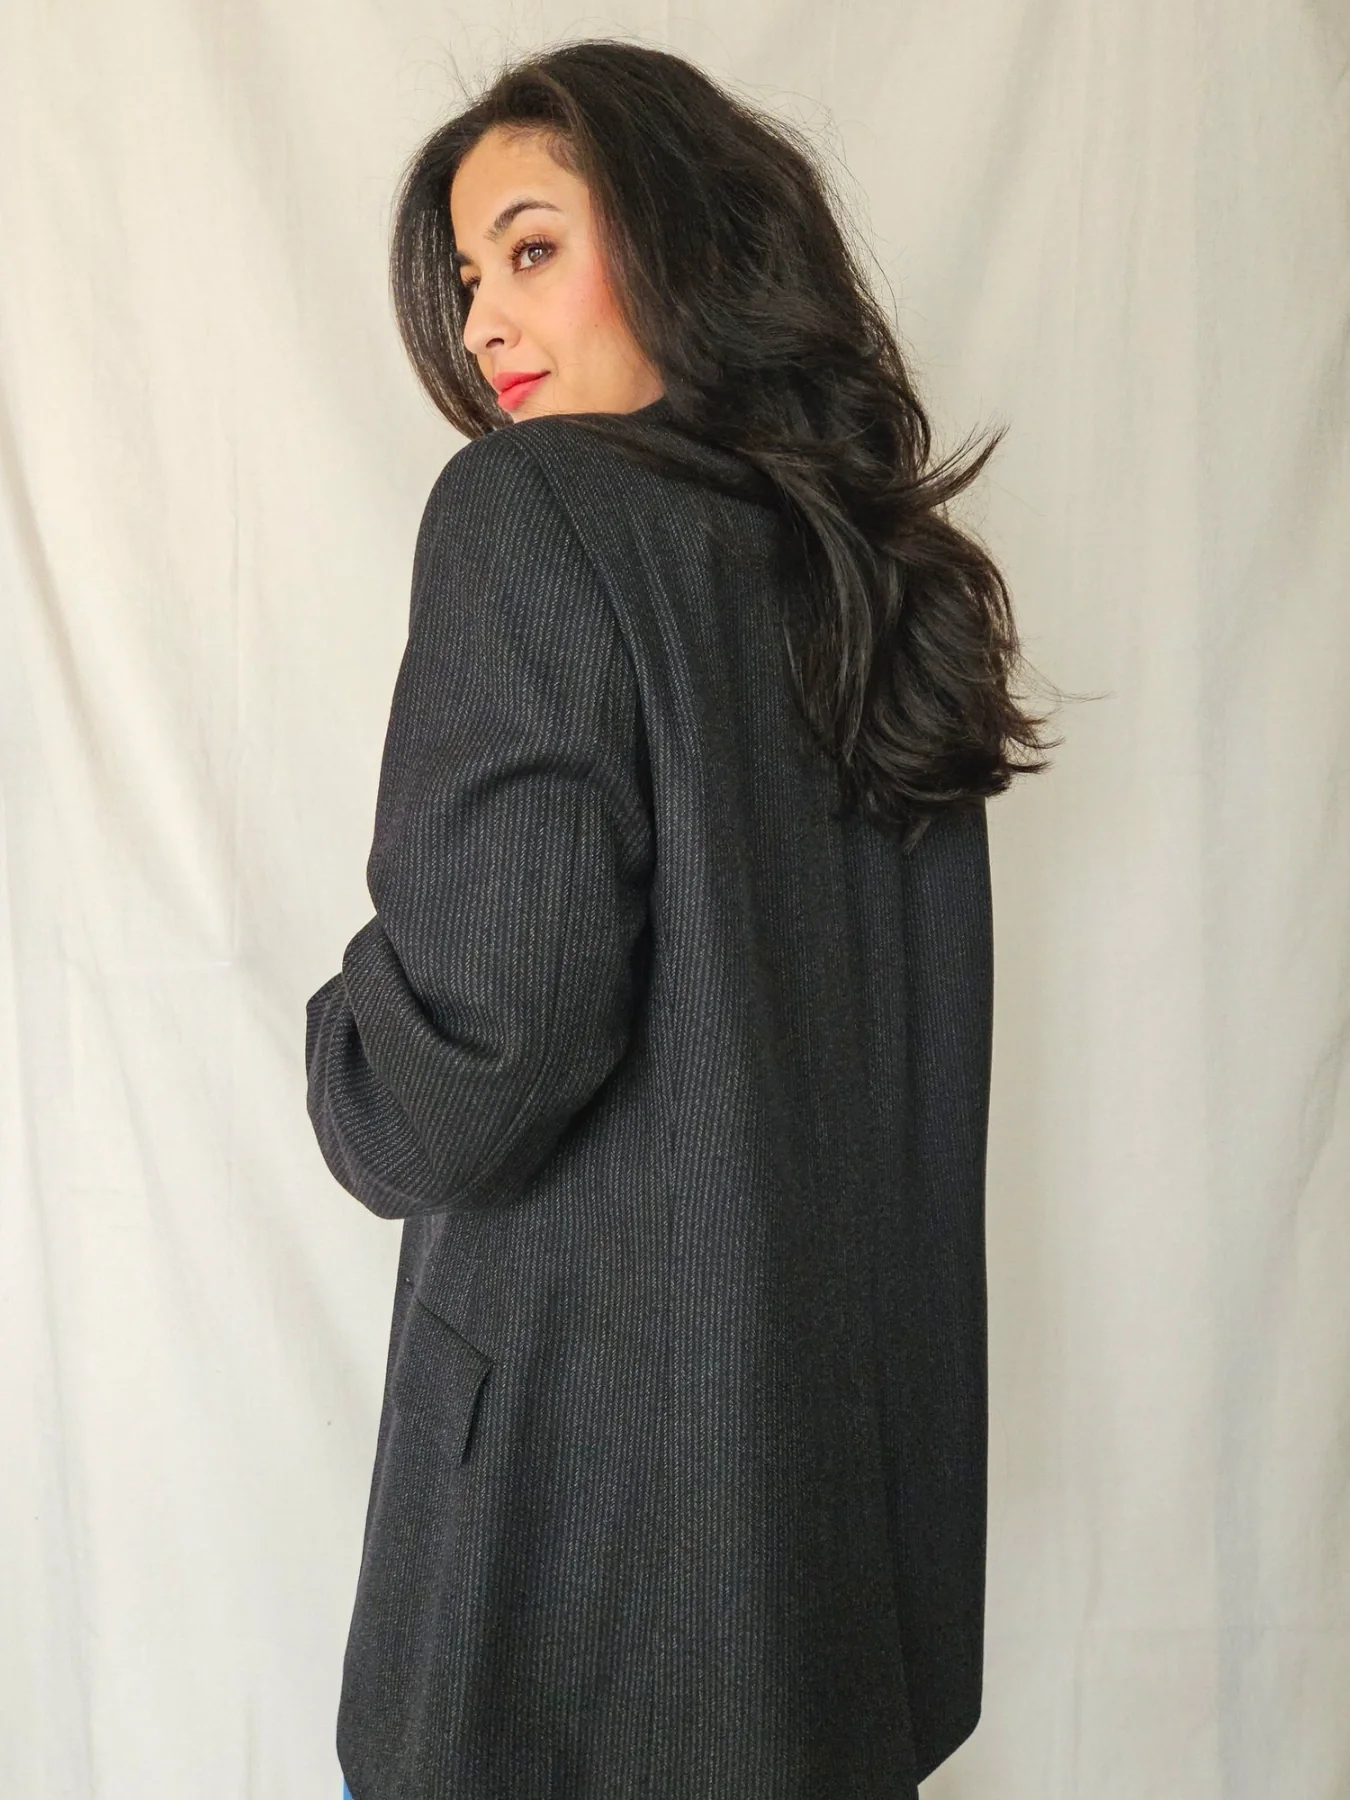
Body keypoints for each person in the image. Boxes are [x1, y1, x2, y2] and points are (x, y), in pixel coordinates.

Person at [305, 37, 1055, 1800]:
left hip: (581, 1578)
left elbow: (466, 1065)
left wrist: (342, 1035)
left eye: (532, 248)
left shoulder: (532, 510)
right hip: (830, 1571)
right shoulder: (878, 576)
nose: (485, 321)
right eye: (469, 277)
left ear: (684, 242)